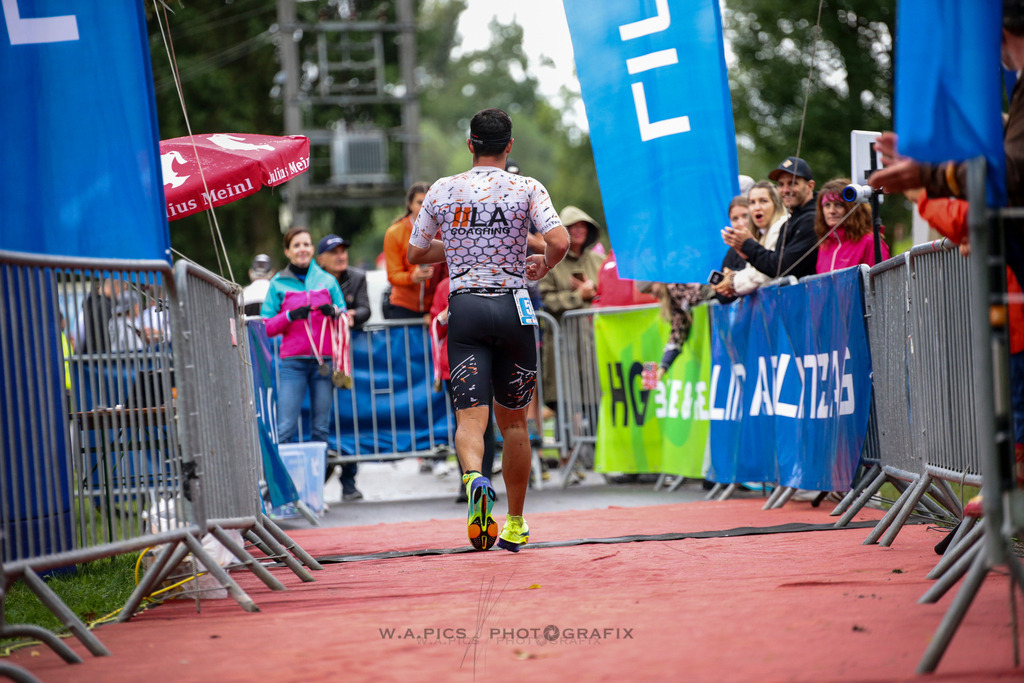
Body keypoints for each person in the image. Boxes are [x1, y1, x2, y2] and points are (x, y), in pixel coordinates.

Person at [407, 107, 569, 552]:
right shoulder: (527, 187)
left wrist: (458, 248)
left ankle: (476, 479)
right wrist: (542, 263)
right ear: (510, 146)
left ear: (470, 143)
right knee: (514, 423)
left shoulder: (442, 190)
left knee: (470, 419)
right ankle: (515, 522)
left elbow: (416, 253)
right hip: (514, 307)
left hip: (467, 309)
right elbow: (559, 242)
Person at [260, 227, 348, 495]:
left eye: (306, 244)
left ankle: (313, 494)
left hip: (323, 362)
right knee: (285, 427)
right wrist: (289, 317)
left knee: (321, 429)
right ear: (287, 251)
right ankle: (282, 491)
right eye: (296, 245)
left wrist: (333, 310)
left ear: (312, 250)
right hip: (293, 363)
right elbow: (266, 326)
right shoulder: (277, 283)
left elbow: (344, 312)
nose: (302, 249)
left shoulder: (327, 280)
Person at [430, 275, 496, 503]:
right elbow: (435, 329)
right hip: (454, 367)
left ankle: (484, 479)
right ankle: (467, 482)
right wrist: (448, 313)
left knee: (485, 426)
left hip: (485, 364)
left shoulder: (487, 278)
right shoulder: (443, 286)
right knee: (462, 425)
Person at [538, 205, 604, 411]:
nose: (578, 231)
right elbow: (545, 299)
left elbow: (611, 293)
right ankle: (567, 443)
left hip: (595, 341)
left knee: (597, 400)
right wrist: (578, 296)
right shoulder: (549, 261)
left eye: (582, 226)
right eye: (572, 227)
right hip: (563, 344)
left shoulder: (599, 261)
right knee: (565, 401)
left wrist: (594, 293)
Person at [723, 157, 819, 285]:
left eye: (792, 183)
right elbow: (775, 266)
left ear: (810, 186)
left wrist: (748, 244)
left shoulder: (812, 219)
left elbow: (782, 268)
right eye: (781, 184)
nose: (785, 190)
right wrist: (748, 252)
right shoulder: (790, 222)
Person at [715, 181, 789, 298]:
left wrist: (732, 281)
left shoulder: (781, 227)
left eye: (763, 201)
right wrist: (726, 283)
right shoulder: (764, 233)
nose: (757, 207)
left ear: (775, 202)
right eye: (752, 203)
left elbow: (764, 275)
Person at [383, 182, 436, 322]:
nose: (425, 208)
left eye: (429, 203)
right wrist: (412, 277)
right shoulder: (394, 233)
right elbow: (393, 275)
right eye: (420, 203)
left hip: (434, 307)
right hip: (403, 306)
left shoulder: (444, 231)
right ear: (410, 205)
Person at [814, 177, 890, 273]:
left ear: (852, 208)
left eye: (838, 205)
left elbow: (882, 283)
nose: (831, 211)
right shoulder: (825, 245)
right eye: (827, 205)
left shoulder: (870, 242)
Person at [316, 234, 371, 330]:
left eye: (343, 251)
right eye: (334, 252)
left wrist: (353, 314)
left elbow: (365, 309)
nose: (341, 257)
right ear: (321, 259)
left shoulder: (358, 277)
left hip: (351, 337)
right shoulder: (312, 281)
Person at [711, 195, 751, 304]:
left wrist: (733, 279)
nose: (741, 223)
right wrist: (726, 288)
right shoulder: (732, 252)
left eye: (745, 216)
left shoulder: (766, 239)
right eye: (735, 218)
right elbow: (721, 295)